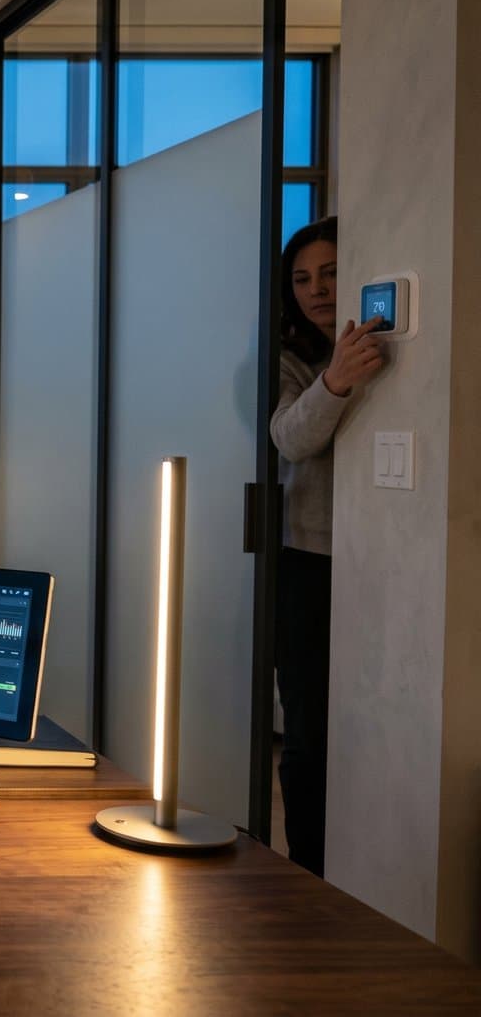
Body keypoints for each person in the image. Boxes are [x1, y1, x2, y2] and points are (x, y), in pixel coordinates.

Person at [269, 215, 382, 876]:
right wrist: (335, 379)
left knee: (370, 725)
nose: (317, 289)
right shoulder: (293, 359)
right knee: (308, 735)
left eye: (331, 272)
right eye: (303, 278)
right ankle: (306, 874)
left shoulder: (384, 341)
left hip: (380, 557)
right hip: (307, 564)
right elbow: (289, 437)